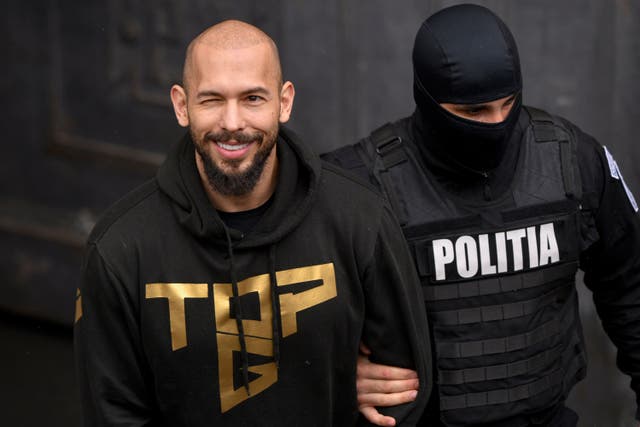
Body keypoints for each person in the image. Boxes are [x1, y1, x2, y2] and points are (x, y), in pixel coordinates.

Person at [74, 20, 432, 426]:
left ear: (284, 102)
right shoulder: (121, 248)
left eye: (252, 98)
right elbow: (114, 413)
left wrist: (330, 378)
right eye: (211, 100)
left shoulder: (360, 219)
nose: (232, 122)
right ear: (181, 105)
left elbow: (402, 393)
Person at [322, 4, 640, 427]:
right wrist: (334, 370)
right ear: (428, 99)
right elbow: (280, 309)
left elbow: (633, 290)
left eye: (508, 104)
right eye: (473, 112)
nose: (497, 123)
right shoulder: (358, 183)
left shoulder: (572, 160)